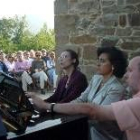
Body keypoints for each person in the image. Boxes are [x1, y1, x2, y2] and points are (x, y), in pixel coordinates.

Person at [27, 56, 140, 140]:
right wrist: (45, 104)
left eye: (130, 70)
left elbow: (93, 111)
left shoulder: (80, 78)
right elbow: (79, 99)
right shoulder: (94, 79)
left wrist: (48, 106)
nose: (125, 75)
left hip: (101, 132)